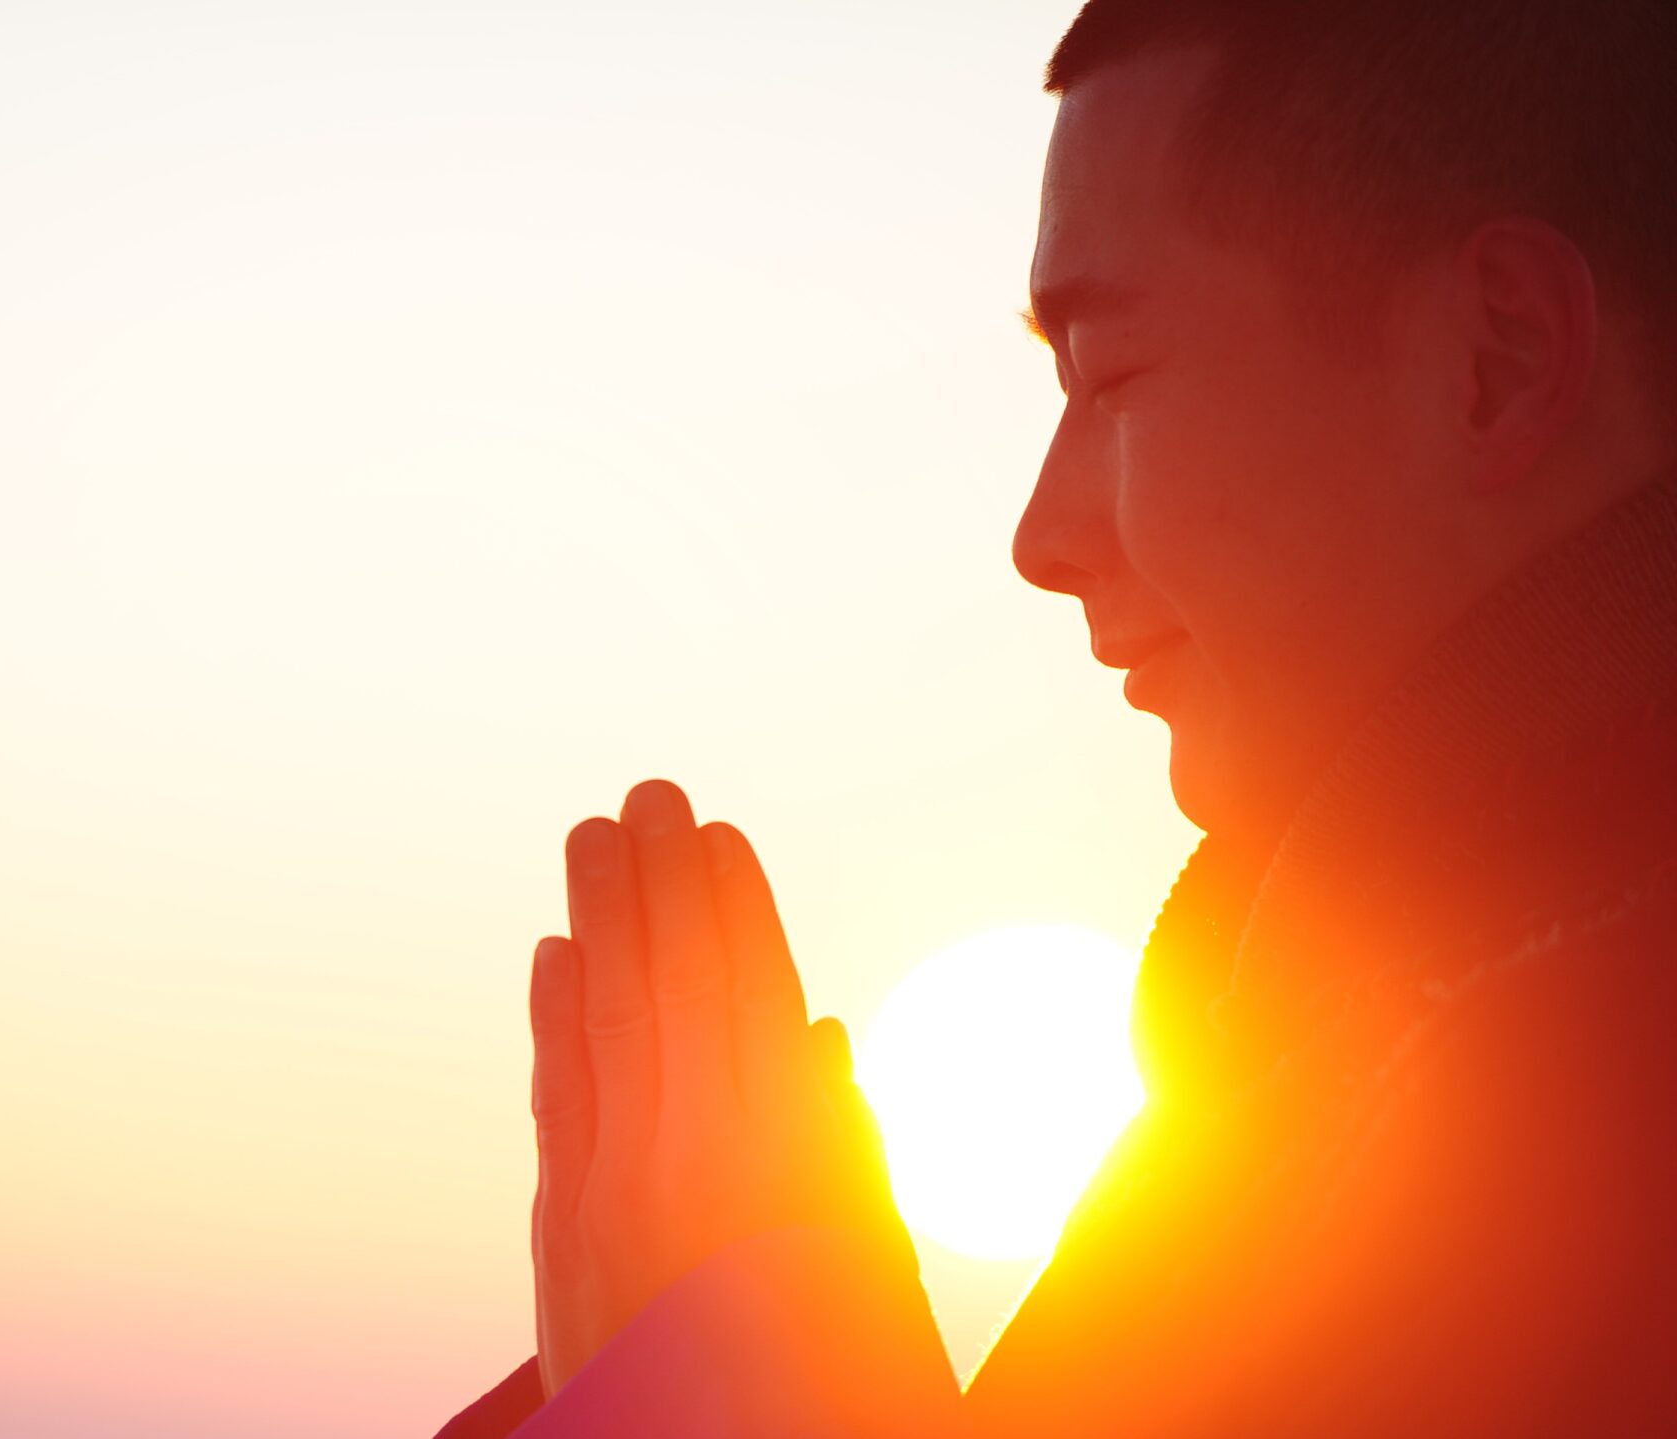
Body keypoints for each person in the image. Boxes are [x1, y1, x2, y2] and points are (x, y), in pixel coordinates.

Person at [435, 0, 1677, 1433]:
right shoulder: (1301, 1103)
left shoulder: (1535, 1162)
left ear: (1499, 360)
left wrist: (710, 1396)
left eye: (1112, 377)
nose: (1040, 536)